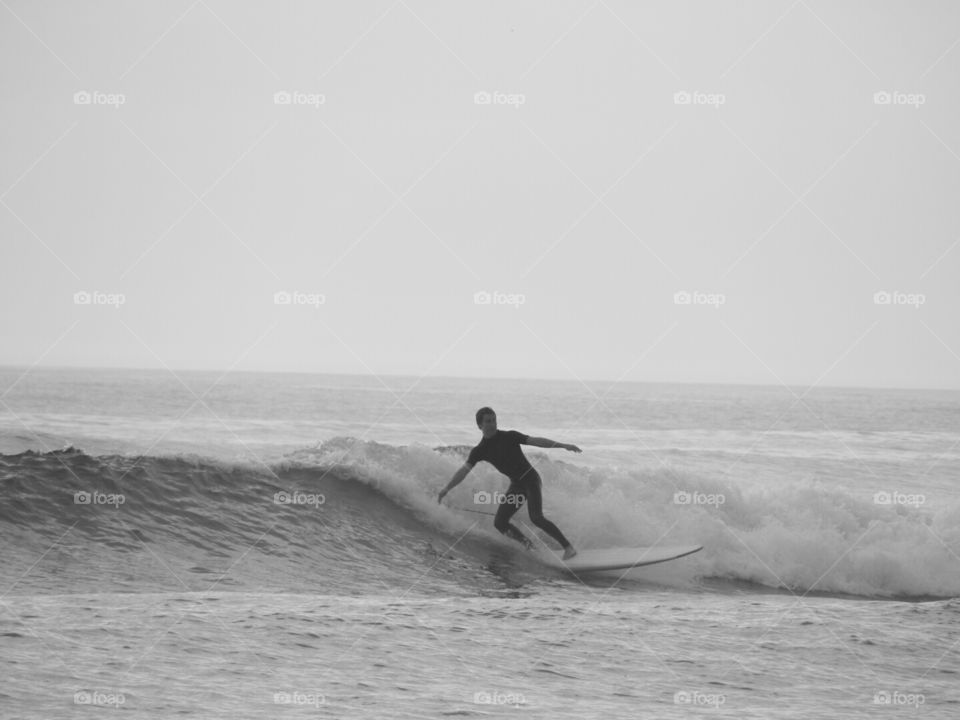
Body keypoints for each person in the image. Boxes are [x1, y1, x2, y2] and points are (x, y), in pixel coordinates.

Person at [438, 407, 579, 560]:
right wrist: (446, 488)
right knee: (500, 522)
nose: (492, 424)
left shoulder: (509, 436)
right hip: (517, 485)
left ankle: (568, 547)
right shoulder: (479, 450)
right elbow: (463, 471)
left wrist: (563, 445)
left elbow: (536, 441)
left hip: (530, 479)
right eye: (488, 421)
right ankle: (532, 549)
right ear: (480, 425)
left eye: (494, 420)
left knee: (536, 517)